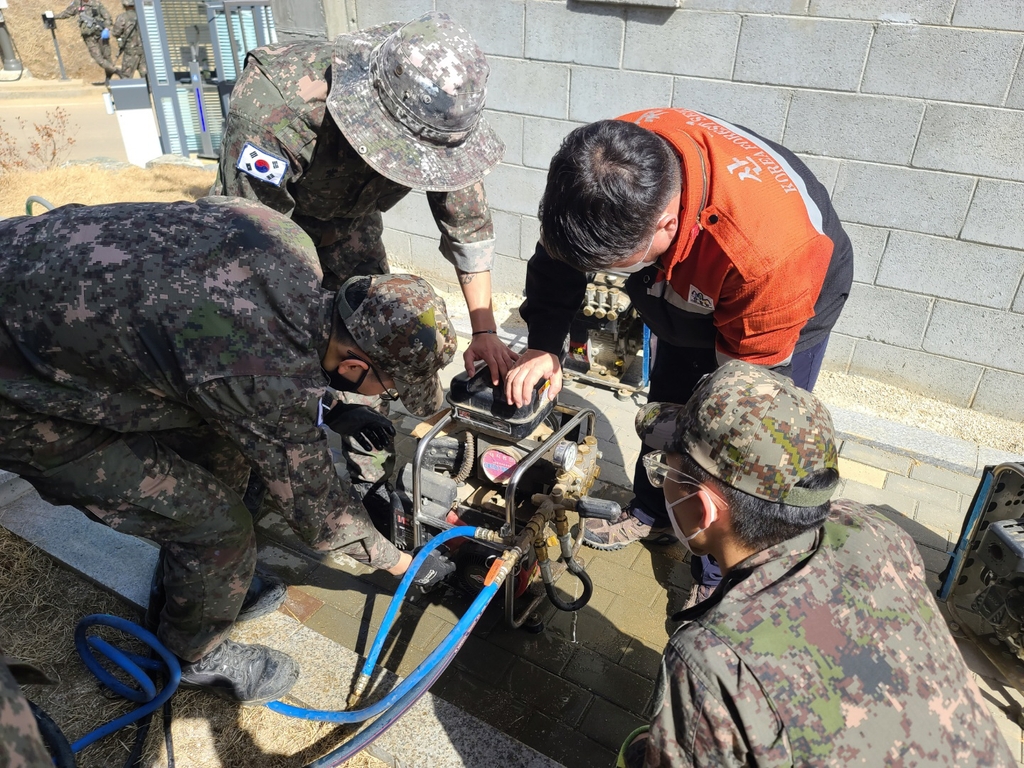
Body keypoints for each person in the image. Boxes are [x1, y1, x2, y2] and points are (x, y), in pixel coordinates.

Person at [0, 197, 458, 706]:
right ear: (353, 365)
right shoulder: (259, 376)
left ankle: (200, 584)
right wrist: (401, 564)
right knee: (219, 527)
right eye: (389, 389)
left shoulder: (282, 238)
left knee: (223, 457)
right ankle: (193, 655)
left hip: (25, 268)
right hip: (17, 396)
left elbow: (242, 344)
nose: (385, 398)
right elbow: (321, 514)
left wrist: (324, 405)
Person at [505, 108, 854, 604]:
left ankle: (717, 573)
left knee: (729, 445)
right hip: (691, 279)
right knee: (669, 398)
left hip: (784, 297)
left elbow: (744, 420)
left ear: (666, 224)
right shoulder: (602, 167)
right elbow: (559, 258)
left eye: (606, 264)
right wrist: (544, 342)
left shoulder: (771, 258)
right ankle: (652, 509)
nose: (597, 274)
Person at [617, 361, 1015, 767]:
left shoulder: (711, 664)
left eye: (664, 468)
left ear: (703, 508)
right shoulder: (874, 529)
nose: (661, 479)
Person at [54, 0, 117, 84]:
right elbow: (66, 13)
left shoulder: (96, 4)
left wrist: (107, 28)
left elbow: (107, 17)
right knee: (98, 58)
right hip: (88, 37)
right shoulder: (77, 4)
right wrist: (53, 16)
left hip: (101, 35)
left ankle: (108, 79)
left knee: (107, 56)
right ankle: (116, 71)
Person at [111, 0, 145, 80]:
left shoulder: (123, 17)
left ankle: (126, 92)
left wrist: (120, 40)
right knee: (147, 76)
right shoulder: (143, 15)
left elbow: (116, 32)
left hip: (130, 51)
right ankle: (151, 91)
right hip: (144, 51)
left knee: (126, 77)